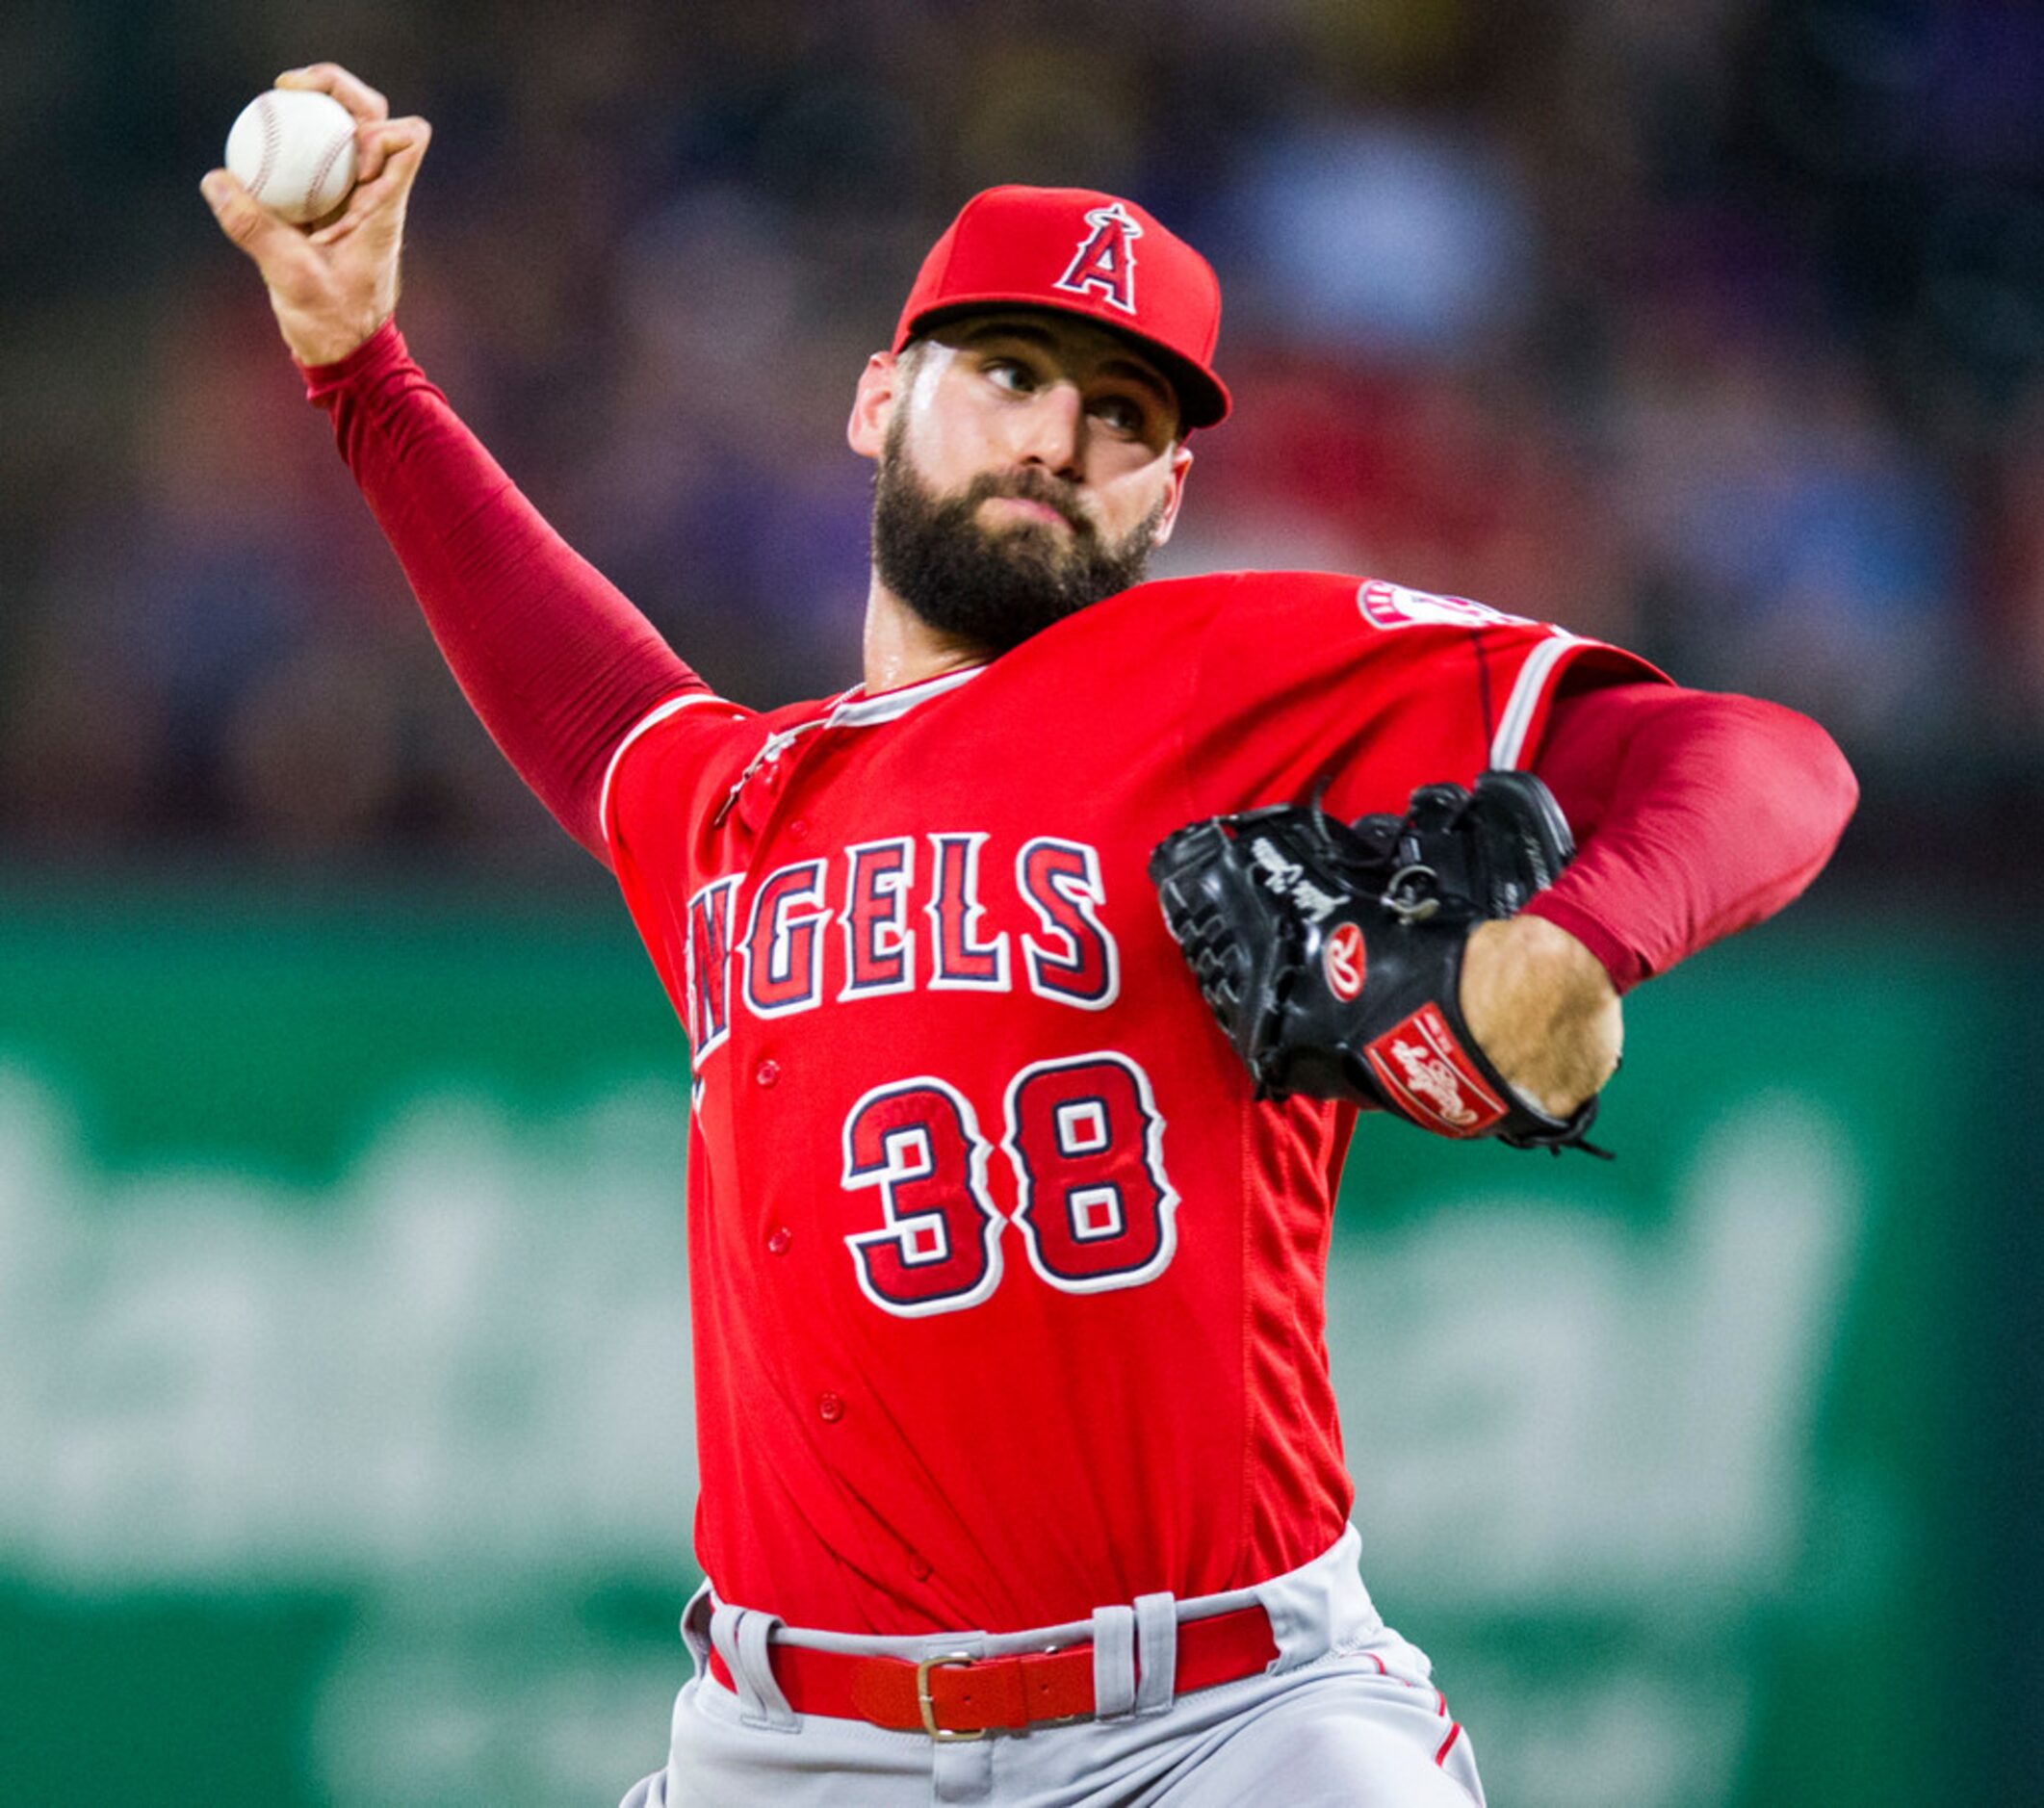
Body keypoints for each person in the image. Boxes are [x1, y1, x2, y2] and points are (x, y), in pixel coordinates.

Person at [202, 65, 1858, 1808]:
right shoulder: (729, 802)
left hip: (1229, 1722)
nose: (1057, 436)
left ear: (1168, 491)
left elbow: (1763, 759)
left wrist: (1584, 937)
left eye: (1121, 411)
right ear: (875, 399)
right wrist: (358, 371)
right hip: (787, 1742)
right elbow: (575, 679)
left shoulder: (1238, 677)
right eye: (1008, 374)